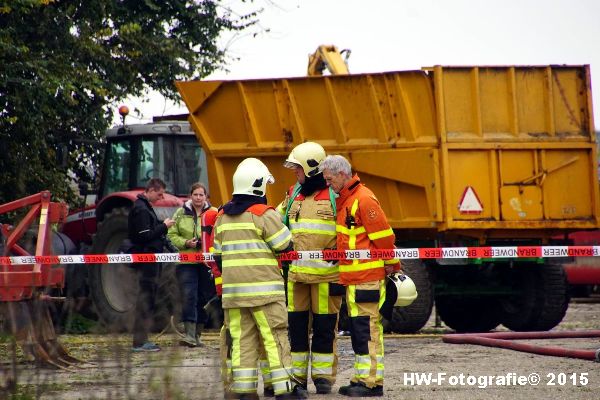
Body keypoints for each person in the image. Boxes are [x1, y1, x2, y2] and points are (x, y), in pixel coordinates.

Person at [212, 158, 308, 400]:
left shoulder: (221, 216)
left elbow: (218, 256)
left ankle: (243, 391)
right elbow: (284, 245)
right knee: (275, 339)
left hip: (234, 295)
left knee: (242, 342)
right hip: (265, 294)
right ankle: (284, 389)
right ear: (257, 186)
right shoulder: (263, 214)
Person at [320, 155, 400, 397]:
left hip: (366, 276)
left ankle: (370, 382)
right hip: (355, 278)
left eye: (330, 179)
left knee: (367, 330)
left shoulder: (363, 199)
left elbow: (385, 238)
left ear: (343, 175)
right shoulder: (349, 200)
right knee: (360, 329)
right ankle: (362, 377)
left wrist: (391, 264)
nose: (328, 184)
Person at [276, 142, 342, 395]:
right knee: (296, 328)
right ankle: (298, 377)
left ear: (312, 169)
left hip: (327, 276)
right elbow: (278, 222)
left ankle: (324, 378)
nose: (295, 173)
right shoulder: (293, 193)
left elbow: (347, 229)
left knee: (325, 328)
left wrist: (342, 252)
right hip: (296, 276)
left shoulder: (334, 196)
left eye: (298, 169)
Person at [167, 182, 218, 347]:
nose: (198, 198)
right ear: (190, 196)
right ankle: (189, 334)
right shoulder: (180, 213)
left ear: (206, 197)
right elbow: (171, 234)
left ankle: (198, 335)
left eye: (201, 195)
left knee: (204, 298)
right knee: (189, 295)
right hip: (186, 262)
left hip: (206, 262)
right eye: (195, 194)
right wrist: (185, 243)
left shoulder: (214, 213)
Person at [128, 178, 175, 352]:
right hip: (146, 260)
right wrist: (164, 226)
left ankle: (142, 340)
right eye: (160, 194)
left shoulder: (145, 207)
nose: (161, 198)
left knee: (149, 298)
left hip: (152, 260)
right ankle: (139, 342)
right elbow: (145, 236)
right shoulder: (141, 209)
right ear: (151, 190)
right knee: (145, 299)